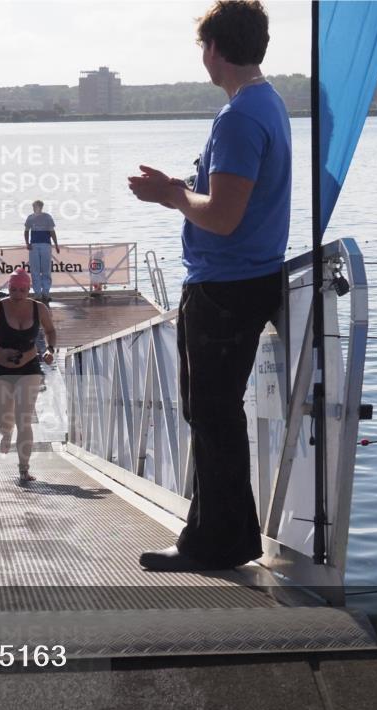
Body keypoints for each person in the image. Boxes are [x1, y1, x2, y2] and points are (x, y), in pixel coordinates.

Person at [127, 0, 290, 572]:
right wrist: (178, 186)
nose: (203, 55)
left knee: (213, 414)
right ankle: (222, 535)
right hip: (242, 280)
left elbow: (222, 217)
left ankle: (216, 543)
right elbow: (230, 203)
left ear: (216, 49)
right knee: (214, 414)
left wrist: (172, 194)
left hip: (225, 286)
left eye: (202, 46)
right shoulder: (266, 105)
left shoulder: (241, 117)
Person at [0, 268, 57, 483]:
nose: (18, 294)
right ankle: (5, 433)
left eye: (22, 290)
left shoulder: (38, 308)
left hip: (29, 367)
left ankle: (24, 469)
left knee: (25, 420)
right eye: (13, 289)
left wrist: (50, 349)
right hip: (0, 370)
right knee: (6, 421)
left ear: (29, 289)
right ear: (8, 287)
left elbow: (50, 331)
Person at [23, 200, 60, 303]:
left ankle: (46, 293)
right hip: (34, 245)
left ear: (41, 207)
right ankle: (38, 294)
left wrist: (56, 244)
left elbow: (52, 231)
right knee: (35, 270)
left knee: (46, 270)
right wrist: (27, 243)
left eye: (38, 206)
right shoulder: (30, 218)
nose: (36, 208)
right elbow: (26, 231)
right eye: (35, 206)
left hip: (46, 244)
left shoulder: (47, 217)